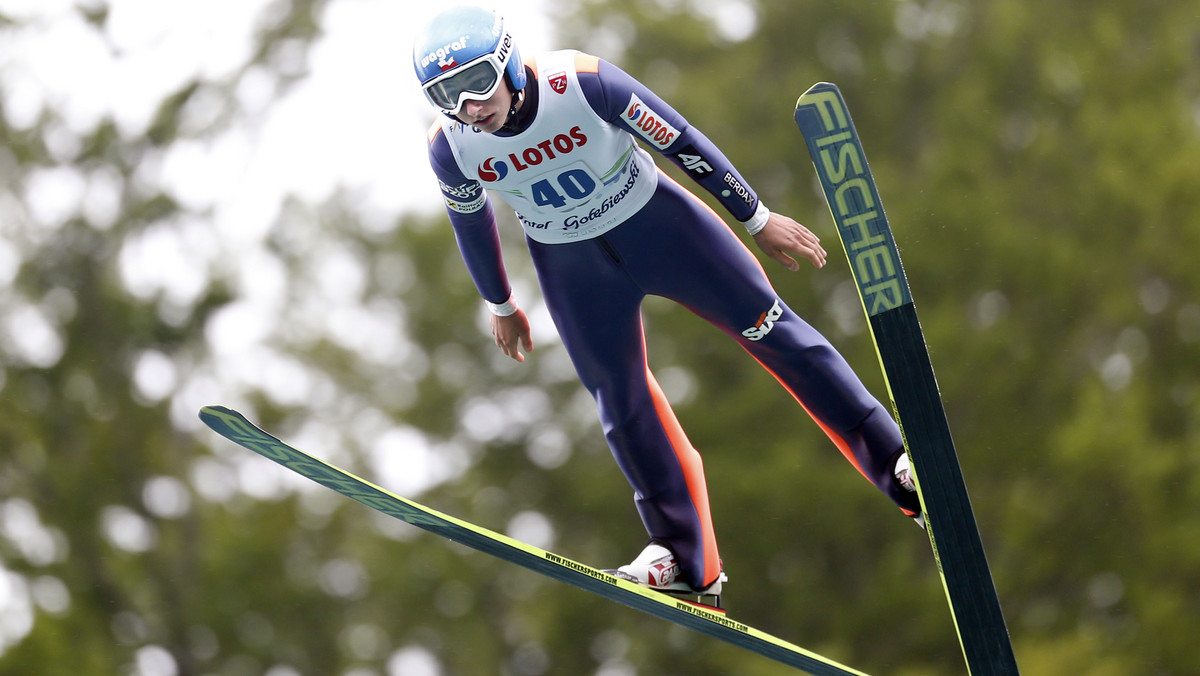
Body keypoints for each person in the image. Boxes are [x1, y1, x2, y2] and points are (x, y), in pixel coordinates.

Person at [414, 5, 921, 606]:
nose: (470, 106)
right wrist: (499, 303)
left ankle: (899, 469)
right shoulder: (451, 146)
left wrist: (756, 218)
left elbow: (680, 140)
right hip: (574, 268)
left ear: (507, 62)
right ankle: (686, 559)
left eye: (476, 81)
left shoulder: (581, 81)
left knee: (772, 330)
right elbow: (469, 223)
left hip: (661, 228)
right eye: (448, 93)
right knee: (620, 403)